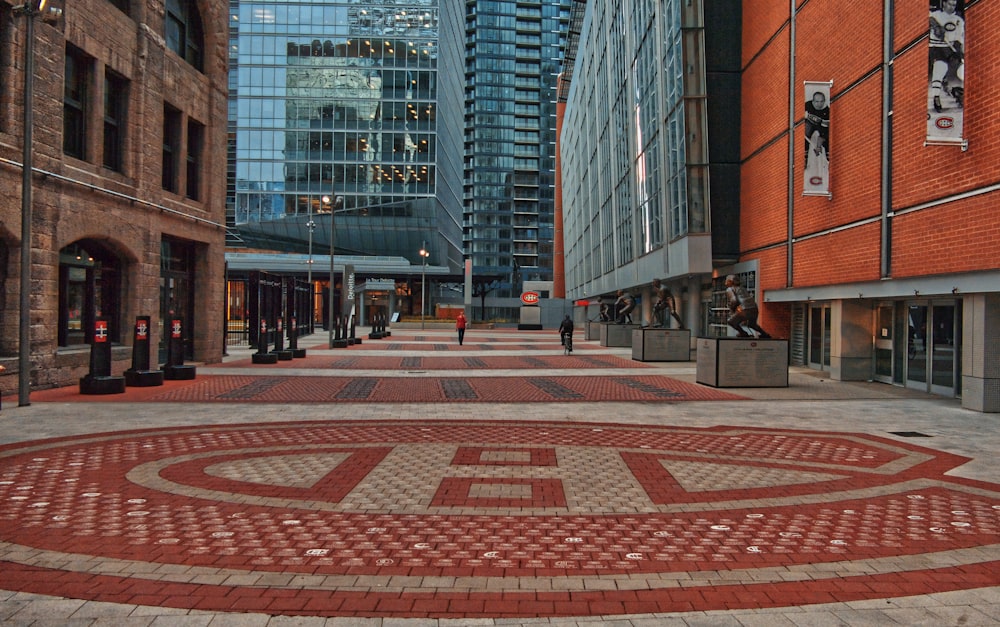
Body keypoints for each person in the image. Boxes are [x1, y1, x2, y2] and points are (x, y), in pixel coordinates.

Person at [929, 0, 964, 112]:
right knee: (939, 69)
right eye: (949, 4)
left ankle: (958, 92)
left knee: (961, 72)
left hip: (951, 48)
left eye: (954, 5)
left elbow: (960, 38)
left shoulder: (958, 20)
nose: (952, 7)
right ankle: (936, 97)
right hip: (937, 48)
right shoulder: (935, 15)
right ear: (943, 3)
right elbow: (927, 17)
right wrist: (934, 25)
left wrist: (958, 49)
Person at [804, 90, 830, 175]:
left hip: (820, 125)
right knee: (805, 135)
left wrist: (818, 147)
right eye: (817, 102)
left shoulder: (827, 111)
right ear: (813, 101)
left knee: (826, 139)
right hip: (809, 123)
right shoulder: (807, 105)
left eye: (821, 101)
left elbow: (823, 131)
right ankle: (805, 156)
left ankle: (828, 158)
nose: (819, 104)